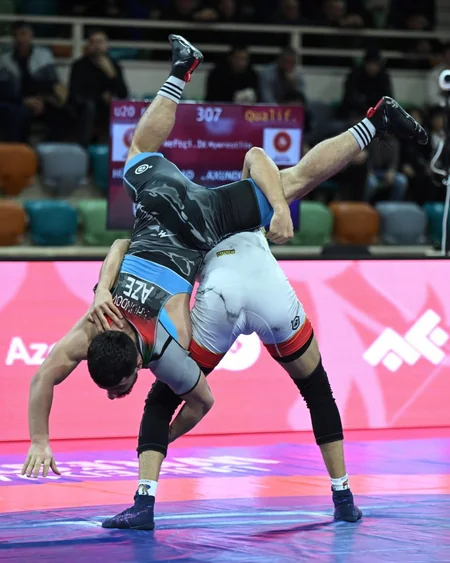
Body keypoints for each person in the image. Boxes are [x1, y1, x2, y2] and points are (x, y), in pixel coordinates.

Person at [22, 35, 427, 529]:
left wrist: (48, 440)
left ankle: (145, 499)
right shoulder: (93, 324)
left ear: (136, 365)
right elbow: (119, 248)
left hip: (203, 229)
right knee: (157, 153)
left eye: (120, 386)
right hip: (170, 204)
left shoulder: (166, 342)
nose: (114, 394)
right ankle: (183, 70)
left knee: (165, 399)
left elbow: (201, 396)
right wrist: (102, 290)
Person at [0, 21, 67, 142]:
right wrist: (24, 101)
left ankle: (52, 149)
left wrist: (42, 100)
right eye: (17, 35)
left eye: (24, 34)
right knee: (17, 113)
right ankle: (20, 150)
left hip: (42, 99)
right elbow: (3, 91)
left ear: (31, 35)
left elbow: (53, 82)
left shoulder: (44, 56)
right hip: (18, 102)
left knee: (60, 112)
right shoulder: (4, 60)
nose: (21, 39)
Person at [68, 29, 129, 144]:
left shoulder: (114, 65)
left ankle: (120, 147)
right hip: (85, 107)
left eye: (100, 42)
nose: (97, 46)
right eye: (93, 42)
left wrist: (111, 74)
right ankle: (84, 145)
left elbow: (123, 93)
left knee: (124, 108)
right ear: (88, 46)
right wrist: (101, 97)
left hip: (107, 108)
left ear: (107, 45)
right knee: (89, 106)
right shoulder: (79, 66)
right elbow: (76, 93)